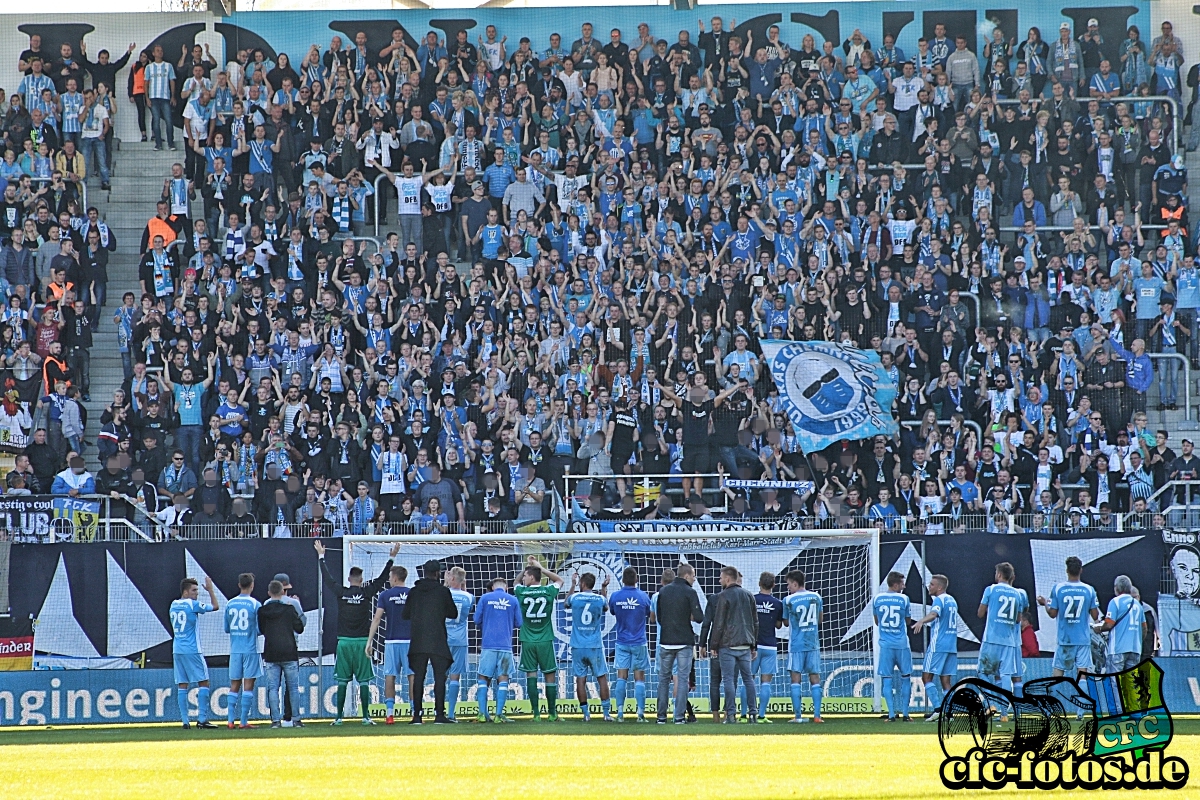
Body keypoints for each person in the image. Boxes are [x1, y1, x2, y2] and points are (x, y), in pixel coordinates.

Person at [315, 538, 399, 725]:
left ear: (348, 580)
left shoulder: (341, 592)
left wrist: (321, 556)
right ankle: (366, 717)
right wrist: (391, 559)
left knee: (343, 681)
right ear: (361, 581)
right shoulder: (366, 592)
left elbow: (327, 578)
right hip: (362, 642)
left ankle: (338, 718)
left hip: (343, 642)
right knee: (363, 682)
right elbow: (381, 580)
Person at [402, 559, 459, 724]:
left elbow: (405, 615)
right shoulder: (442, 591)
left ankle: (417, 716)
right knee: (439, 678)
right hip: (437, 639)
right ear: (437, 574)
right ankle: (439, 715)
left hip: (418, 640)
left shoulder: (414, 592)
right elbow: (453, 613)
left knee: (418, 677)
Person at [702, 566, 759, 725]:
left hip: (728, 645)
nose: (720, 580)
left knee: (728, 679)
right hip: (745, 644)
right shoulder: (749, 595)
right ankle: (753, 713)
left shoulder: (723, 596)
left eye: (721, 578)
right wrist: (754, 645)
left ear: (727, 579)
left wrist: (714, 644)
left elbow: (719, 623)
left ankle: (731, 714)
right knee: (749, 680)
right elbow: (755, 622)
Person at [513, 556, 564, 721]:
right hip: (545, 639)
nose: (524, 578)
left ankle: (536, 714)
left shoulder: (522, 591)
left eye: (527, 576)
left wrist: (527, 568)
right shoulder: (548, 591)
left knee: (531, 676)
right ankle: (552, 713)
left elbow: (515, 583)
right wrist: (539, 567)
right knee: (549, 675)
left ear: (531, 577)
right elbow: (560, 580)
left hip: (528, 640)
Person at [977, 561, 1029, 720]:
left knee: (982, 672)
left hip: (991, 639)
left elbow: (980, 613)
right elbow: (1019, 618)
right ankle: (1004, 713)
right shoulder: (1018, 594)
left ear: (999, 575)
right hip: (1010, 641)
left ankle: (991, 703)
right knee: (1006, 675)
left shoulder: (991, 589)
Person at [655, 562, 703, 724]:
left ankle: (661, 717)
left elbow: (659, 618)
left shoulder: (663, 591)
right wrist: (685, 616)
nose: (695, 579)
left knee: (663, 679)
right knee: (682, 679)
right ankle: (679, 717)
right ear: (687, 575)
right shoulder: (690, 592)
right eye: (694, 575)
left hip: (666, 640)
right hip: (684, 641)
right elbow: (699, 617)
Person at [1037, 556, 1100, 678]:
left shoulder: (1058, 588)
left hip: (1065, 638)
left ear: (1067, 570)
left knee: (1058, 671)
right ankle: (1082, 696)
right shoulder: (1089, 590)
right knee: (1082, 674)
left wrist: (1045, 603)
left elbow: (1052, 614)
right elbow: (1095, 615)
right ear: (1081, 570)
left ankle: (1054, 695)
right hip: (1082, 638)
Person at [169, 576, 220, 728]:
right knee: (204, 681)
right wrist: (210, 590)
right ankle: (202, 720)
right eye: (194, 590)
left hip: (177, 649)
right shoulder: (192, 604)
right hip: (192, 650)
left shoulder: (173, 604)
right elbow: (215, 606)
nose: (196, 593)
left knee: (182, 684)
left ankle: (185, 721)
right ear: (185, 592)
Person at [365, 564, 412, 724]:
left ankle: (390, 714)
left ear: (396, 578)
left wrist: (369, 641)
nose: (389, 580)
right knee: (412, 676)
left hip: (392, 641)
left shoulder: (385, 595)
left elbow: (377, 619)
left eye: (391, 577)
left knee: (390, 676)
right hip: (410, 641)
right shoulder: (412, 593)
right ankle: (415, 712)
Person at [565, 569, 612, 722]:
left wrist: (571, 585)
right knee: (601, 678)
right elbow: (606, 607)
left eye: (579, 583)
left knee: (580, 679)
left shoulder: (575, 598)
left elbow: (566, 603)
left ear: (583, 584)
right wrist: (604, 588)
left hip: (578, 646)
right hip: (595, 645)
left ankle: (586, 715)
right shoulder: (599, 599)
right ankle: (606, 714)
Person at [910, 573, 958, 722]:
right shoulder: (952, 600)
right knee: (946, 681)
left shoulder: (940, 599)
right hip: (951, 645)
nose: (929, 587)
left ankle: (938, 709)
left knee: (926, 677)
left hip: (938, 644)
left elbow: (934, 614)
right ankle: (949, 713)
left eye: (931, 584)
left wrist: (920, 622)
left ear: (939, 587)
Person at [258, 579, 305, 728]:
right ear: (283, 592)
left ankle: (275, 721)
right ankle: (296, 719)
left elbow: (262, 630)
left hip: (271, 653)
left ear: (269, 593)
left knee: (273, 688)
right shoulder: (289, 609)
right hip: (289, 651)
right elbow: (300, 628)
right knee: (293, 688)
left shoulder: (262, 610)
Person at [608, 565, 653, 722]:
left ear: (622, 580)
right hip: (639, 641)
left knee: (621, 677)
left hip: (622, 642)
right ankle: (640, 714)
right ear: (636, 579)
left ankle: (620, 713)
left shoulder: (615, 596)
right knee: (639, 678)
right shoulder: (643, 597)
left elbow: (612, 611)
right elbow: (650, 615)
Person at [784, 569, 825, 723]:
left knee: (796, 679)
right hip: (812, 643)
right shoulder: (816, 597)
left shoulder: (788, 600)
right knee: (815, 678)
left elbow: (786, 622)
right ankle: (817, 716)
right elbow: (820, 619)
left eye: (789, 584)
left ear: (795, 583)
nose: (788, 588)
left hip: (797, 644)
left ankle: (798, 716)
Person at [223, 572, 261, 729]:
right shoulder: (255, 604)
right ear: (252, 585)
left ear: (239, 585)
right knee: (248, 684)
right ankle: (243, 721)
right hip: (250, 648)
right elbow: (259, 629)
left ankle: (230, 720)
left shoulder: (230, 604)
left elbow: (227, 629)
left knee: (234, 684)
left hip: (235, 650)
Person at [873, 570, 911, 722]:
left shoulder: (877, 599)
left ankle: (890, 714)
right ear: (895, 585)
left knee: (887, 679)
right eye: (902, 583)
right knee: (906, 677)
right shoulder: (904, 599)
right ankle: (906, 714)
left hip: (886, 645)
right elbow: (907, 620)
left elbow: (877, 621)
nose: (904, 586)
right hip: (902, 644)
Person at [745, 571, 783, 724]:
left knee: (748, 679)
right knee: (766, 682)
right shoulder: (778, 604)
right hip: (770, 646)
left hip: (753, 646)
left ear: (759, 583)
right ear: (773, 585)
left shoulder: (752, 600)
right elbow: (779, 625)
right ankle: (761, 715)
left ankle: (743, 714)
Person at [444, 566, 474, 721]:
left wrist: (445, 583)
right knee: (455, 678)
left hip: (443, 639)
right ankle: (450, 713)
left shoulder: (443, 594)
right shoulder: (469, 597)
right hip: (460, 641)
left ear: (452, 579)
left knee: (440, 676)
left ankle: (439, 712)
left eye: (449, 577)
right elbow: (464, 595)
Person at [1100, 574, 1147, 672]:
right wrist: (1139, 641)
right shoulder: (1138, 604)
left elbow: (1109, 624)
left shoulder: (1115, 602)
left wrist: (1099, 628)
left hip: (1117, 649)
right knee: (1131, 683)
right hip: (1135, 649)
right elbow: (1144, 628)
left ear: (1116, 588)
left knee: (1115, 682)